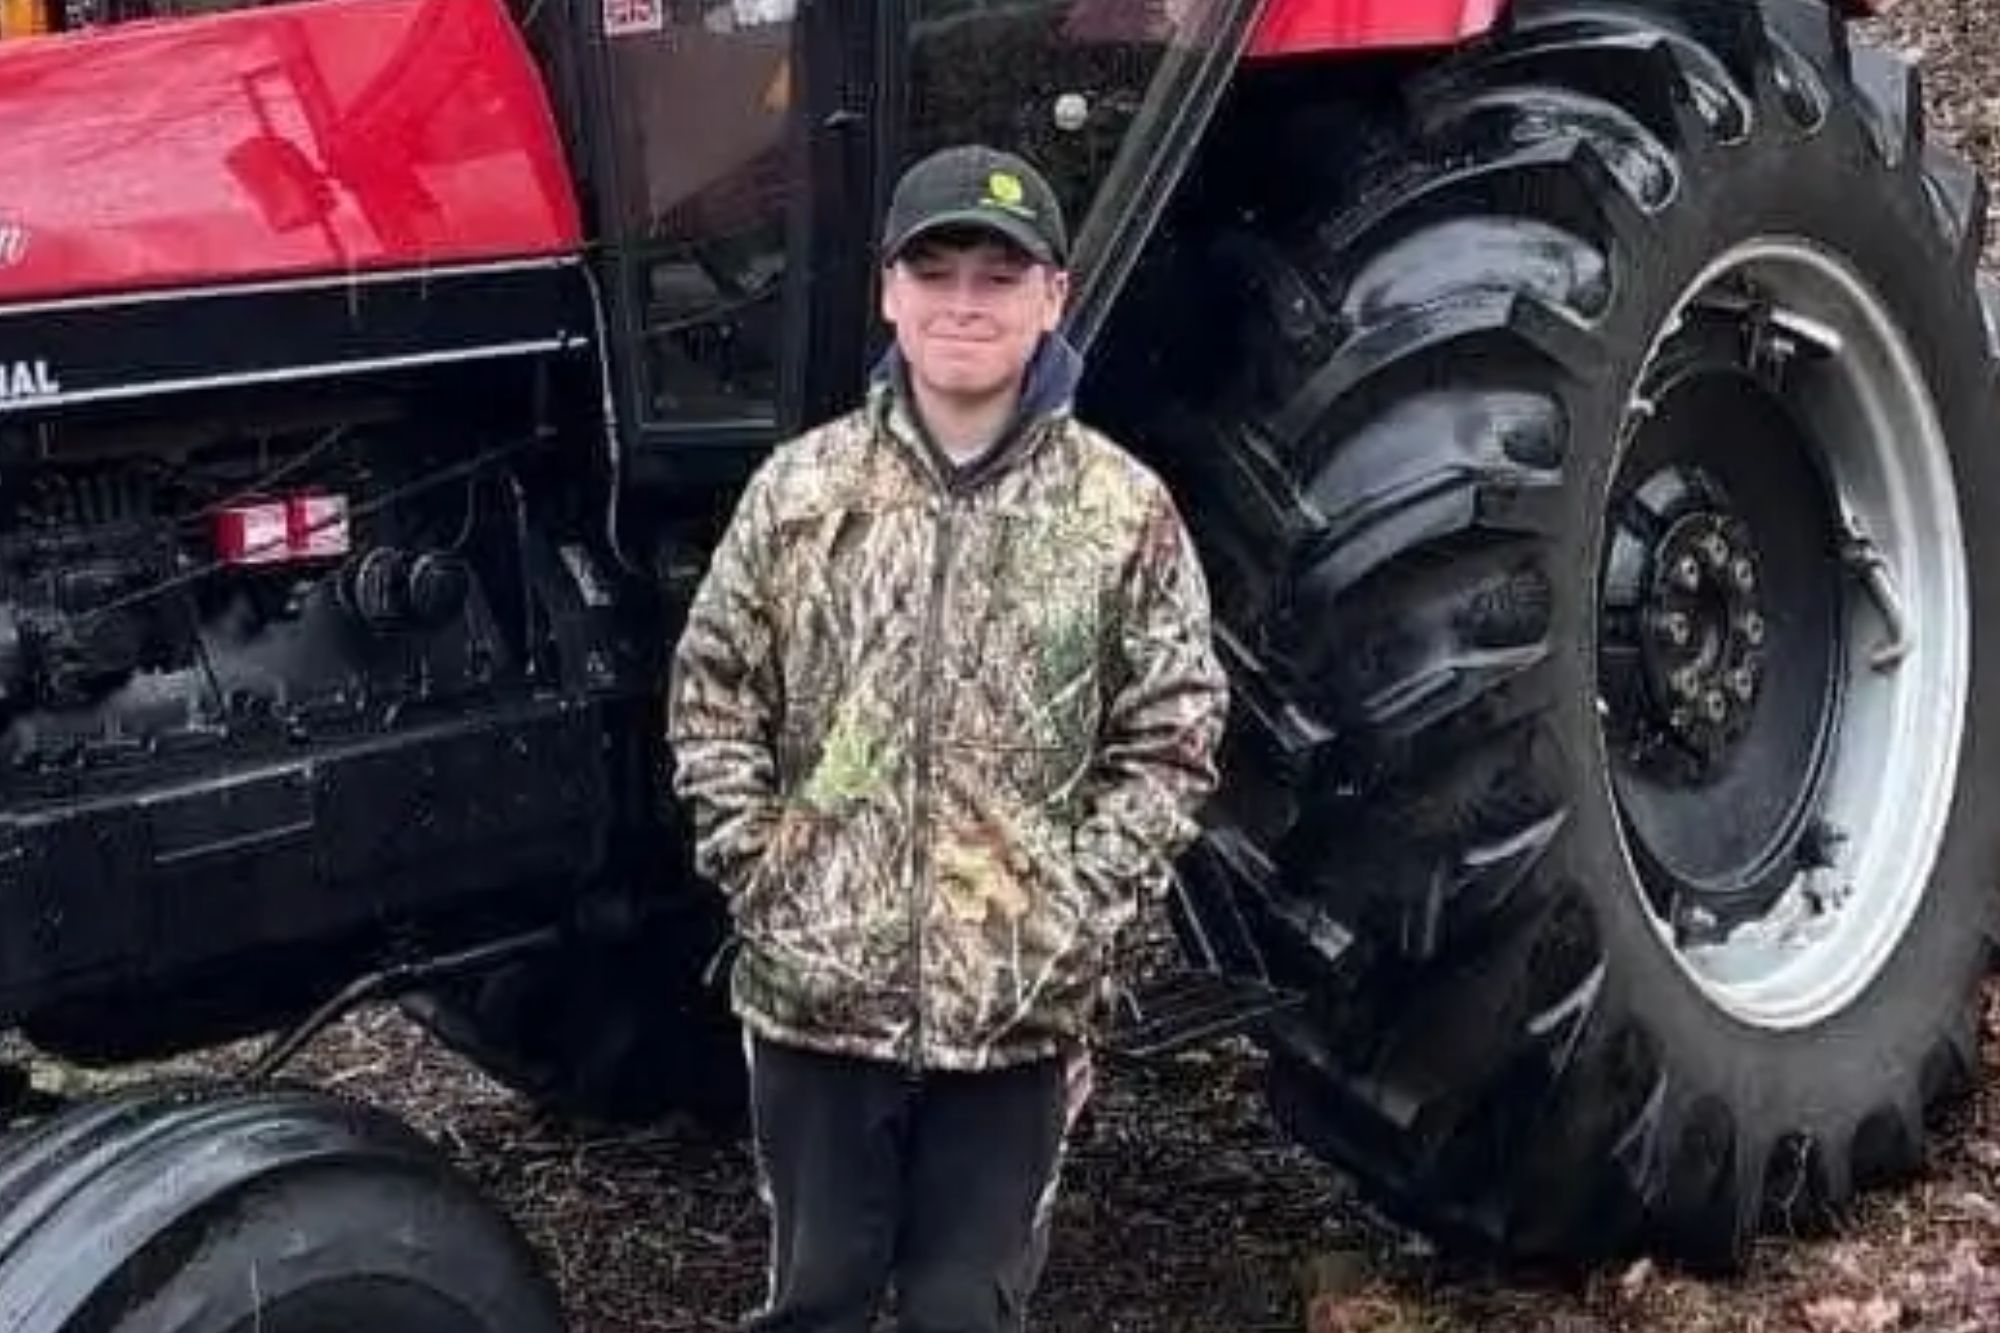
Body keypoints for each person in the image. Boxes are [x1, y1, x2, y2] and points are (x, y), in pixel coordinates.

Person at [666, 143, 1230, 1333]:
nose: (963, 303)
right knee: (813, 1300)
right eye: (936, 273)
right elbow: (712, 692)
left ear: (1051, 298)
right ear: (887, 293)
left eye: (996, 274)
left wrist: (1073, 913)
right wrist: (766, 874)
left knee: (961, 1312)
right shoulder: (801, 492)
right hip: (818, 998)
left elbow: (1174, 732)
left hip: (1014, 1012)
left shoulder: (1119, 513)